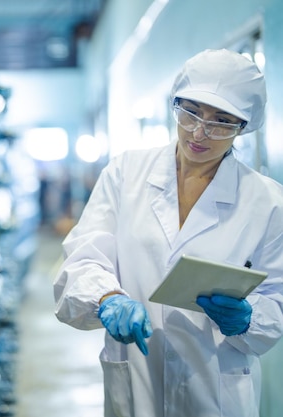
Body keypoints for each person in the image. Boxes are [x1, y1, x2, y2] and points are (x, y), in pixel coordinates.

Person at [53, 48, 283, 417]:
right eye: (190, 112)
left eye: (221, 122)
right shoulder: (126, 173)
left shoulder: (267, 202)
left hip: (216, 389)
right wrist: (108, 297)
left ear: (244, 126)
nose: (199, 132)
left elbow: (276, 298)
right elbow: (83, 258)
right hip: (136, 380)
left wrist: (250, 318)